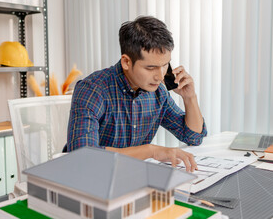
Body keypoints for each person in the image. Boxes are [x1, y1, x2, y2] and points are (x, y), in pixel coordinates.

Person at [66, 16, 207, 172]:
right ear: (126, 62)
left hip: (132, 177)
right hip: (92, 180)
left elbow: (193, 137)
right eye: (150, 68)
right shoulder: (92, 90)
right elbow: (83, 157)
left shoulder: (158, 92)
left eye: (165, 65)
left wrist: (190, 97)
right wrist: (152, 151)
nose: (160, 76)